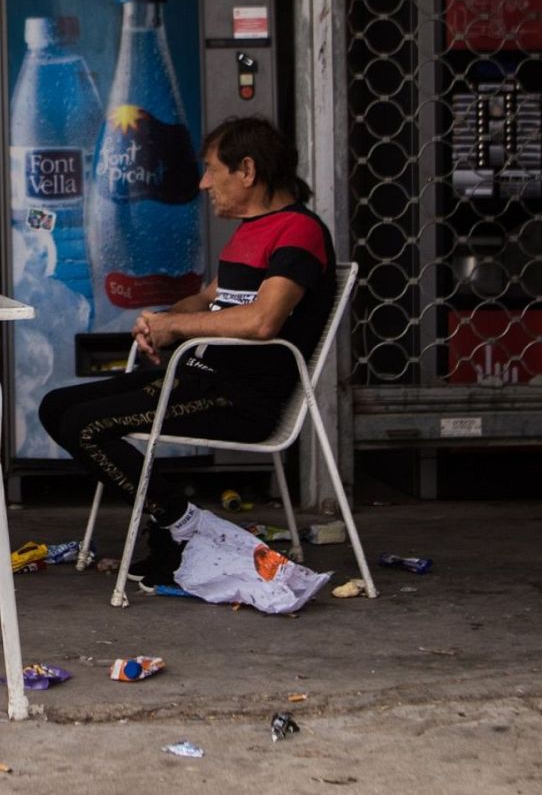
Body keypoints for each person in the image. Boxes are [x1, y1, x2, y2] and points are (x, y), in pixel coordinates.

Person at [38, 116, 336, 589]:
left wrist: (178, 325)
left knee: (86, 427)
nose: (202, 183)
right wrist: (162, 323)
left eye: (211, 170)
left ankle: (178, 525)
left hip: (239, 396)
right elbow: (206, 300)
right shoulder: (252, 230)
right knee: (56, 407)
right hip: (196, 376)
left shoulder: (298, 232)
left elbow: (263, 321)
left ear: (247, 170)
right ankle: (175, 522)